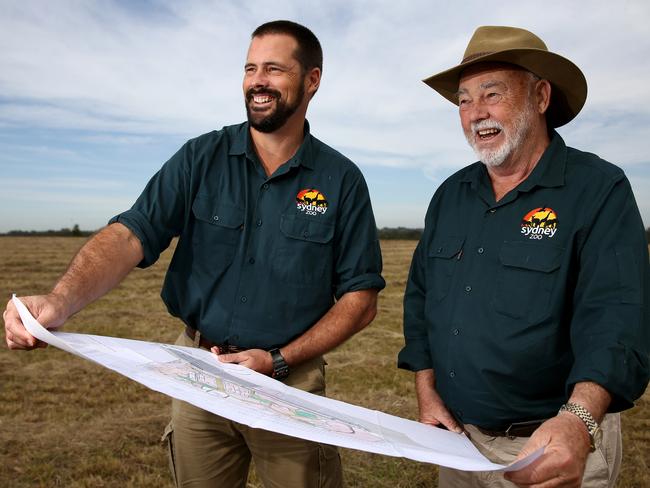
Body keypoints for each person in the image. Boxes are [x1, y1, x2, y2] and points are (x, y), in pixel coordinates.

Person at [4, 20, 385, 488]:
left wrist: (280, 359)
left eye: (274, 69)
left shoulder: (341, 180)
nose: (257, 81)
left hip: (289, 385)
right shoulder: (200, 158)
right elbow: (131, 234)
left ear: (312, 80)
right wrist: (59, 301)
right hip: (200, 375)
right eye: (250, 68)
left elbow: (360, 299)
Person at [398, 25, 649, 488]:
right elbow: (420, 301)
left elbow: (618, 322)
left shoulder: (598, 190)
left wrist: (578, 422)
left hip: (549, 445)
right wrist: (426, 389)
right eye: (464, 100)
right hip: (458, 442)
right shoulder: (450, 196)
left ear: (540, 96)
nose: (477, 114)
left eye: (492, 94)